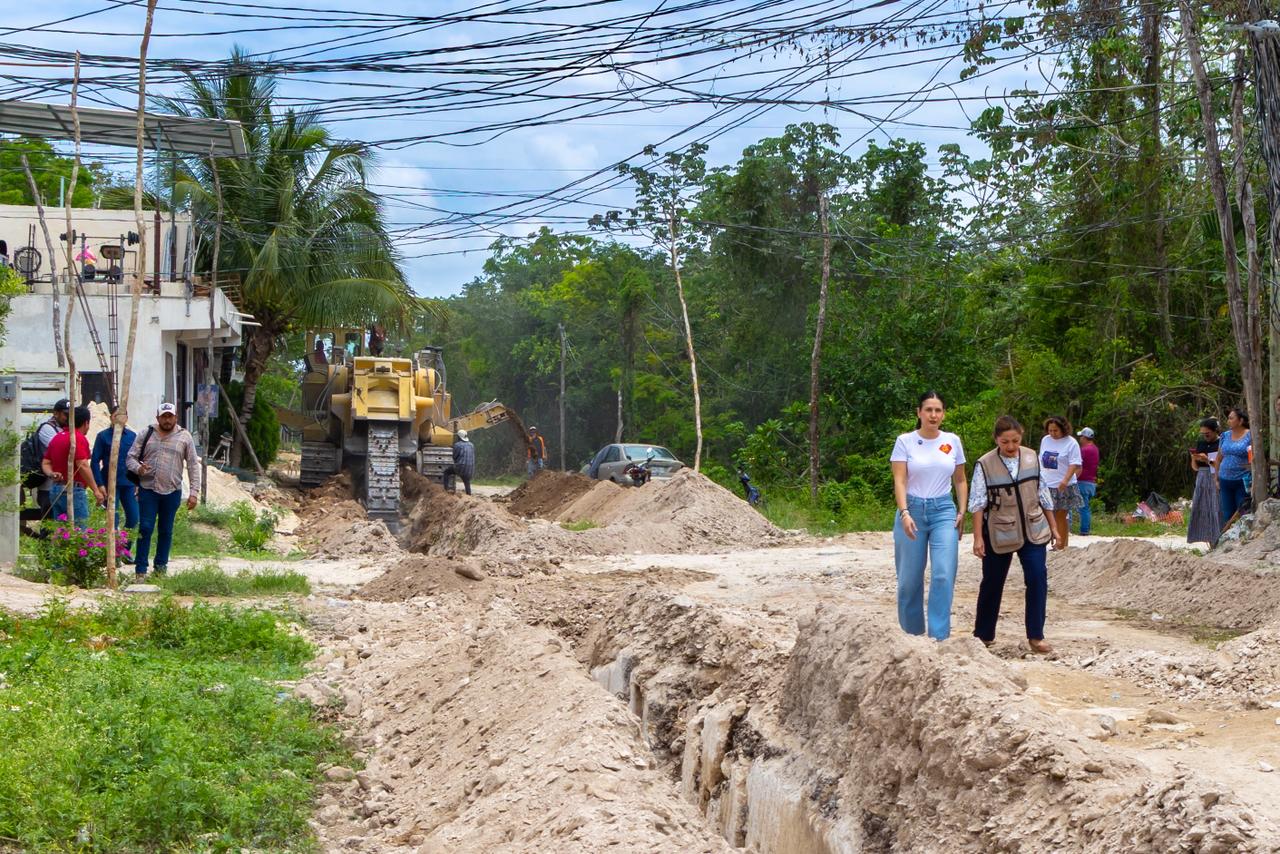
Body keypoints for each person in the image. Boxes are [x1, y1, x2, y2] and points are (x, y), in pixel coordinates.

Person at [970, 416, 1062, 654]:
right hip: (998, 531)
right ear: (996, 440)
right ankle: (983, 635)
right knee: (992, 581)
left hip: (1033, 529)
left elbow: (1043, 494)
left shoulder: (1032, 457)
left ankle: (1036, 636)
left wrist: (1054, 527)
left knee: (1037, 577)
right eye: (1005, 442)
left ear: (1021, 436)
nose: (1011, 446)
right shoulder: (984, 464)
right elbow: (978, 503)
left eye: (1015, 441)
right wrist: (977, 538)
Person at [890, 391, 968, 641]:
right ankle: (912, 636)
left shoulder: (952, 441)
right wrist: (904, 512)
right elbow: (900, 480)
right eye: (928, 410)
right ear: (919, 412)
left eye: (938, 410)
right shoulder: (905, 441)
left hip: (943, 510)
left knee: (943, 573)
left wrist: (962, 510)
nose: (933, 415)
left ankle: (939, 636)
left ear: (943, 413)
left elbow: (960, 479)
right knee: (909, 580)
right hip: (912, 509)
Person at [126, 402, 201, 580]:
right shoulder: (146, 433)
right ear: (157, 418)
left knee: (166, 530)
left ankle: (160, 568)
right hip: (148, 489)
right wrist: (138, 469)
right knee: (145, 528)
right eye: (164, 417)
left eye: (170, 416)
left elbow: (193, 465)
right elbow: (130, 458)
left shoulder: (184, 437)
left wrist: (194, 492)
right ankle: (141, 570)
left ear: (176, 417)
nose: (167, 420)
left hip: (172, 491)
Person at [42, 406, 105, 521]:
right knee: (79, 528)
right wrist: (96, 490)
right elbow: (83, 465)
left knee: (61, 528)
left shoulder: (57, 437)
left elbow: (46, 462)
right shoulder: (78, 438)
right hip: (73, 490)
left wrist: (51, 474)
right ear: (86, 423)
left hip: (56, 489)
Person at [91, 413, 139, 561]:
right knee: (113, 519)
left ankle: (125, 550)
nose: (119, 419)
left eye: (123, 415)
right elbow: (94, 462)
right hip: (109, 484)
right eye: (116, 415)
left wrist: (138, 482)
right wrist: (99, 484)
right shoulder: (103, 436)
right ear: (111, 417)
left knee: (134, 517)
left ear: (127, 418)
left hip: (128, 483)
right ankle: (113, 554)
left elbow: (138, 459)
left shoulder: (132, 436)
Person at [1038, 415, 1083, 550]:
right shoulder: (1045, 440)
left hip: (1064, 485)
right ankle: (1053, 541)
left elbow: (1075, 463)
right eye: (1050, 430)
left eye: (1055, 430)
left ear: (1063, 429)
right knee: (1046, 515)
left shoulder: (1071, 443)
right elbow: (1040, 459)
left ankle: (1061, 545)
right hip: (1047, 484)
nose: (1052, 433)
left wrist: (1065, 480)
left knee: (1061, 516)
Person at [1188, 417, 1221, 546]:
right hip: (1201, 477)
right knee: (1201, 507)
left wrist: (1207, 460)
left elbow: (1220, 465)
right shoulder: (1201, 444)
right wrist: (1194, 458)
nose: (1205, 437)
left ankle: (1217, 538)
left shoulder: (1221, 443)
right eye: (1203, 434)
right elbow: (1195, 468)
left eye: (1207, 434)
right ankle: (1206, 538)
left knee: (1215, 507)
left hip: (1215, 476)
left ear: (1215, 431)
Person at [1218, 407, 1251, 530]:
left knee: (1242, 512)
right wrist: (1216, 478)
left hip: (1242, 480)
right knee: (1227, 514)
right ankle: (1228, 538)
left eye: (1231, 418)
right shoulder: (1225, 435)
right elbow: (1219, 457)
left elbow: (1254, 457)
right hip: (1224, 480)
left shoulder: (1250, 435)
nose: (1228, 421)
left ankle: (1242, 537)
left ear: (1240, 421)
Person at [1075, 427, 1099, 536]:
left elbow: (1076, 464)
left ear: (1085, 437)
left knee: (1082, 507)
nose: (1080, 439)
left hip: (1082, 482)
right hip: (1091, 483)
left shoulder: (1084, 450)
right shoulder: (1095, 449)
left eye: (1081, 437)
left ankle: (1084, 531)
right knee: (1086, 507)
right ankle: (1086, 529)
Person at [444, 429, 475, 495]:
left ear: (459, 437)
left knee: (446, 472)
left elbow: (454, 457)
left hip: (460, 467)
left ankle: (445, 490)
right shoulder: (471, 445)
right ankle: (469, 495)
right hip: (470, 469)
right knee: (466, 481)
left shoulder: (457, 445)